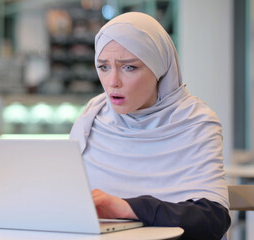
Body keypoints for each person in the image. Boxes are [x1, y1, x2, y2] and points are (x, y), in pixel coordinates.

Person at [69, 12, 230, 239]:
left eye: (129, 67)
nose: (113, 82)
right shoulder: (91, 119)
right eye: (104, 67)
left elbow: (212, 220)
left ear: (159, 69)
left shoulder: (195, 122)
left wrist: (128, 208)